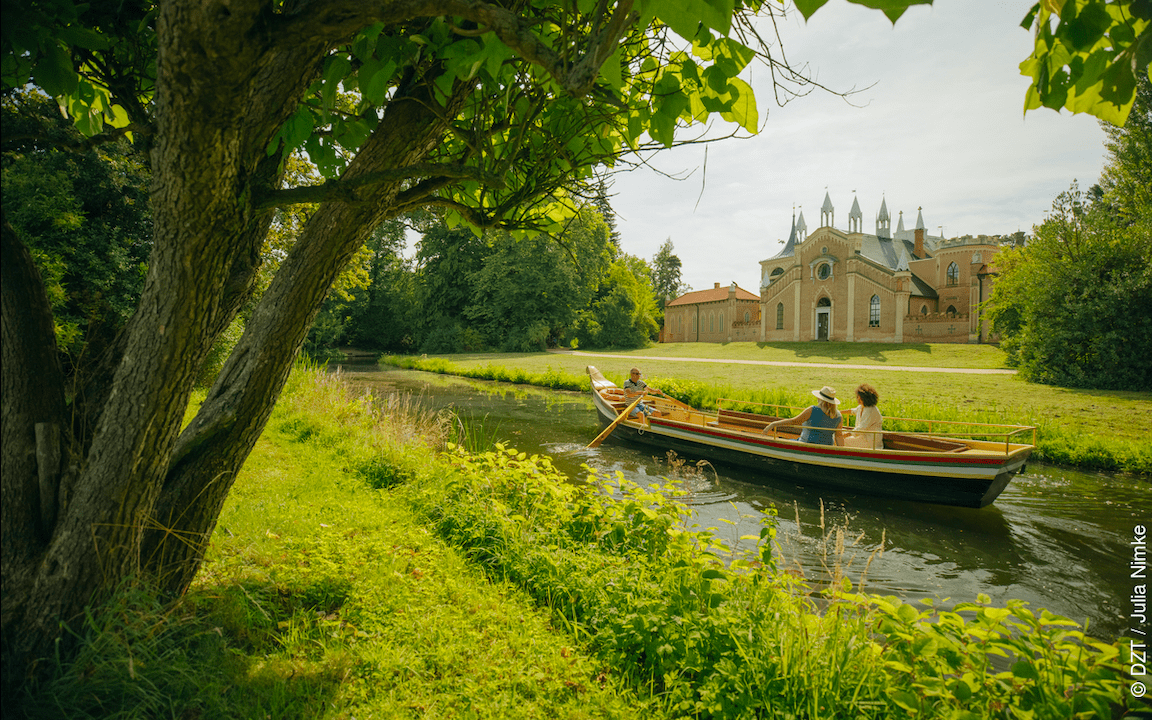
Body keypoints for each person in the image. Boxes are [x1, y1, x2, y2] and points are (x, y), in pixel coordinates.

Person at [762, 386, 842, 445]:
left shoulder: (812, 410)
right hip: (826, 448)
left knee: (781, 442)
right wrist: (841, 452)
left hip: (806, 445)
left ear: (820, 399)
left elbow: (794, 421)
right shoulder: (838, 416)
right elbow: (838, 437)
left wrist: (773, 424)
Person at [843, 383, 883, 450]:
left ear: (866, 398)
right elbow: (852, 411)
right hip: (862, 437)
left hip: (870, 442)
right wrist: (839, 412)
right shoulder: (862, 407)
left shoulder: (870, 410)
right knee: (839, 433)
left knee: (840, 439)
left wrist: (847, 434)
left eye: (860, 397)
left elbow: (861, 428)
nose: (857, 399)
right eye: (857, 397)